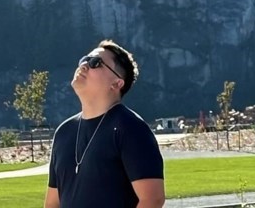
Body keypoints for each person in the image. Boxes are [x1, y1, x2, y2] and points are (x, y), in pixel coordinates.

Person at [44, 39, 165, 208]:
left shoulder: (131, 128)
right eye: (84, 59)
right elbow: (52, 203)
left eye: (95, 62)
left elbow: (153, 199)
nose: (84, 65)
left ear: (116, 83)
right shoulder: (64, 132)